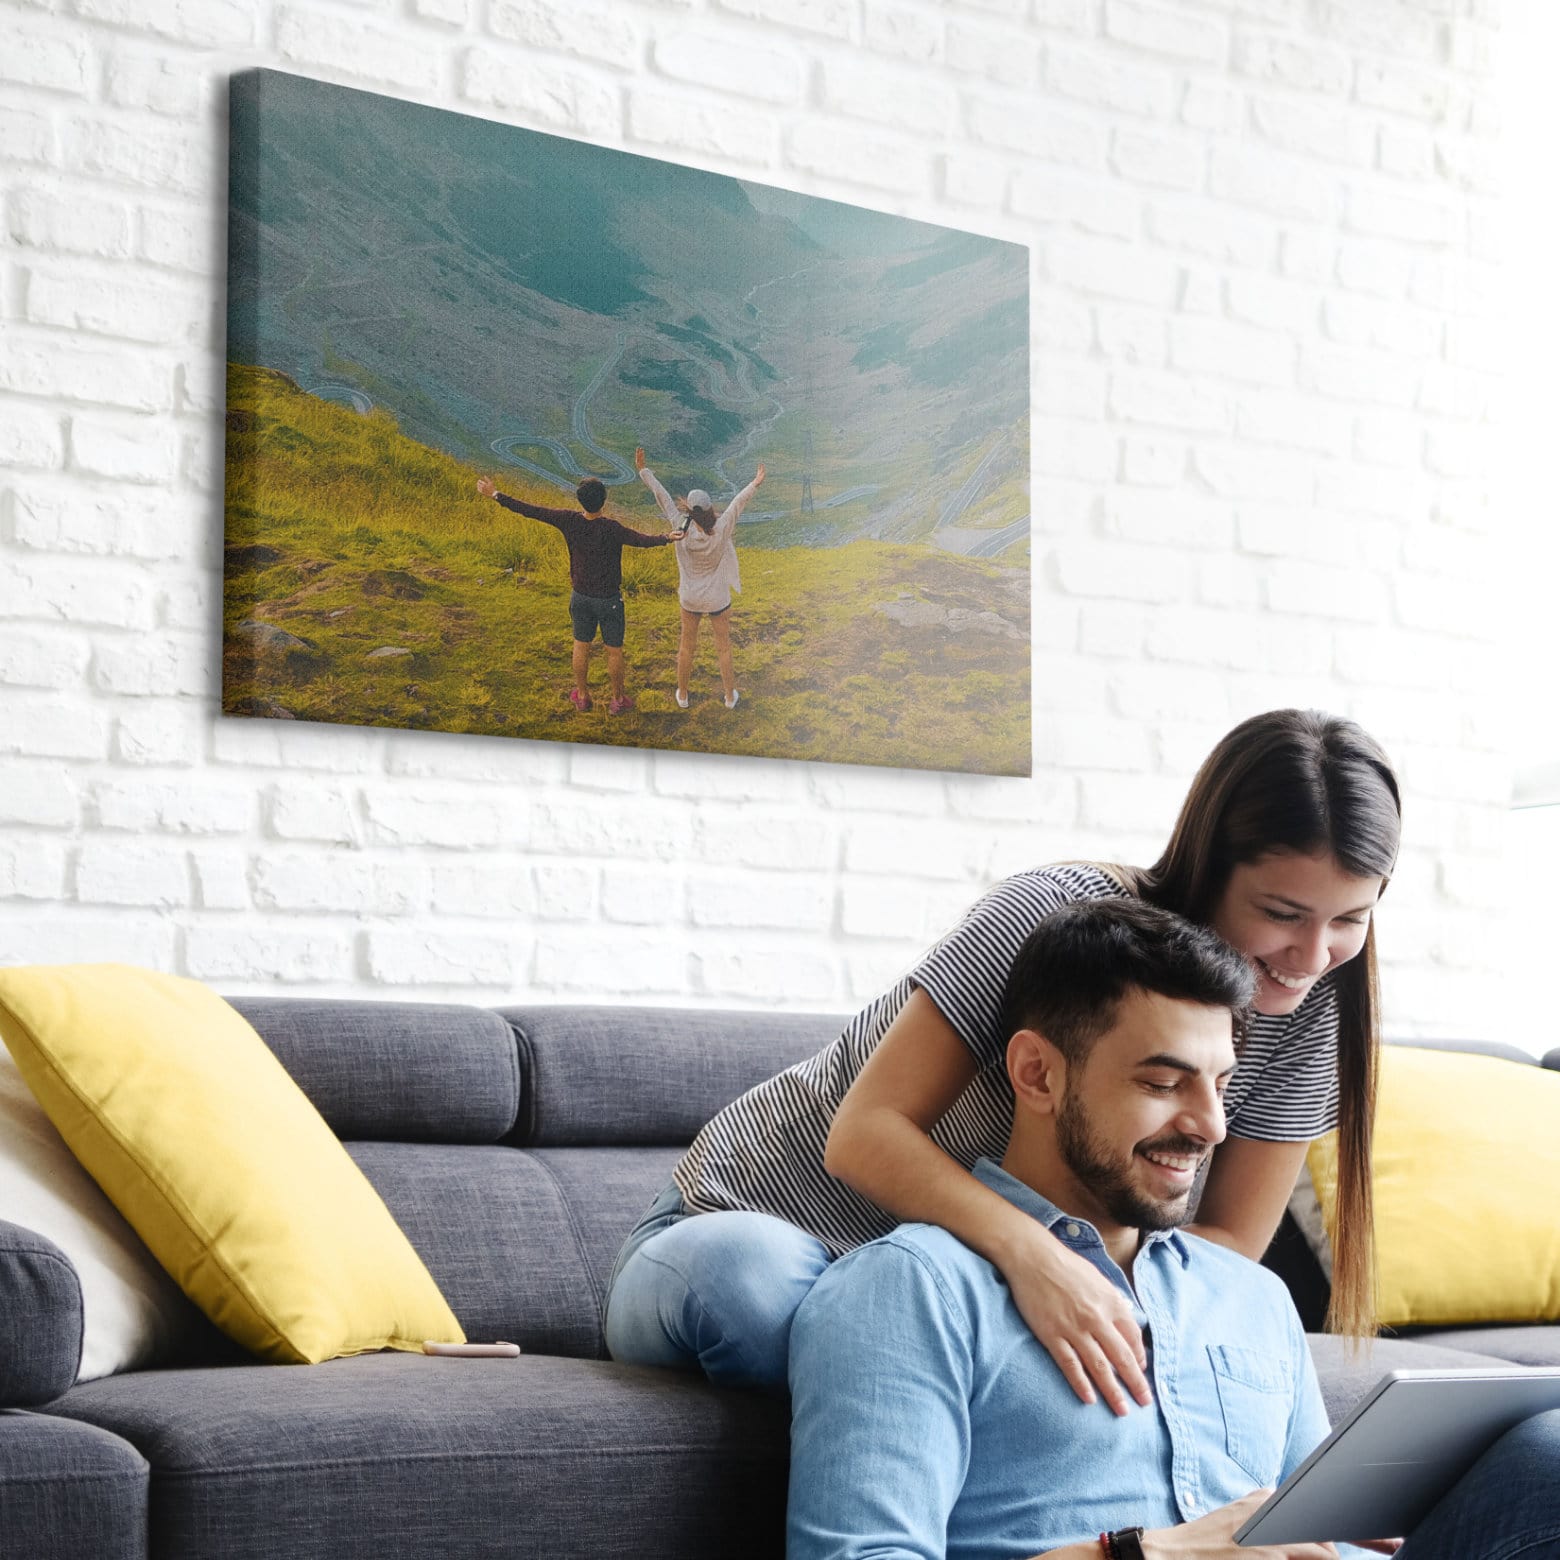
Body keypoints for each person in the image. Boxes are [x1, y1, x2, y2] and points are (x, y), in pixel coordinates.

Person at [603, 709, 1400, 1400]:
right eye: (1283, 913)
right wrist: (1038, 1263)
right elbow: (865, 1135)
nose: (1312, 954)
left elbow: (1226, 1248)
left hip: (951, 1297)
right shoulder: (1052, 918)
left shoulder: (1312, 1017)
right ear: (1210, 863)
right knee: (762, 1294)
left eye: (1349, 920)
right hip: (761, 1229)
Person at [785, 898, 1560, 1560]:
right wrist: (1146, 1552)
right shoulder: (910, 1288)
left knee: (1546, 1455)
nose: (1212, 1127)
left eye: (1221, 1084)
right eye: (1162, 1083)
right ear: (1037, 1074)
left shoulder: (1250, 1296)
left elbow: (1321, 1534)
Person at [475, 473, 678, 714]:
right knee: (614, 650)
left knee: (581, 645)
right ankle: (617, 700)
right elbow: (641, 540)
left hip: (580, 596)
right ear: (603, 500)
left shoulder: (569, 520)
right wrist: (666, 538)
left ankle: (582, 697)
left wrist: (496, 494)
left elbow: (530, 510)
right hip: (609, 600)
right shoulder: (611, 528)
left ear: (580, 500)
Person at [634, 447, 764, 710]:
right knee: (724, 649)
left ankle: (682, 694)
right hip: (717, 598)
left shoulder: (678, 525)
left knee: (686, 647)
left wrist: (643, 470)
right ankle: (729, 697)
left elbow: (662, 496)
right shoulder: (722, 526)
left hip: (690, 598)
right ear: (708, 508)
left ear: (689, 509)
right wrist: (755, 482)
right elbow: (739, 502)